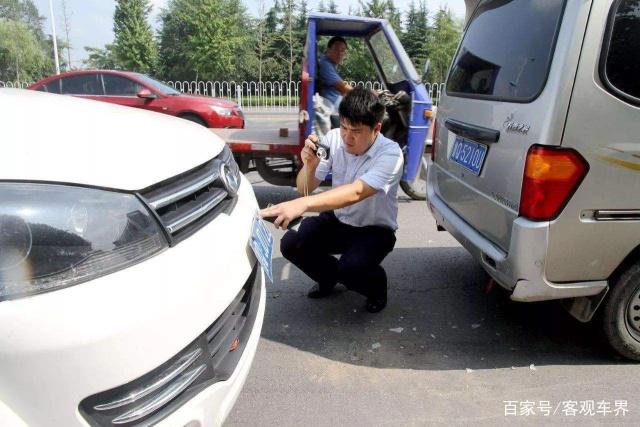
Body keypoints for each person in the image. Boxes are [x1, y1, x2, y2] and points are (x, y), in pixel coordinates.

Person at [260, 88, 403, 313]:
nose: (347, 137)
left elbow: (355, 192)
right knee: (291, 243)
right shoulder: (333, 139)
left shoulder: (391, 155)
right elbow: (304, 187)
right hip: (337, 221)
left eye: (355, 131)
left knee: (351, 269)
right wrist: (310, 164)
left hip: (374, 231)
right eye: (344, 127)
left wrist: (302, 205)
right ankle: (329, 278)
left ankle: (376, 287)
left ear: (376, 128)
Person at [318, 36, 353, 112]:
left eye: (342, 50)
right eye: (336, 49)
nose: (340, 53)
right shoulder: (325, 65)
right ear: (328, 50)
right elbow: (344, 88)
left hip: (335, 104)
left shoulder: (330, 64)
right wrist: (365, 94)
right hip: (333, 109)